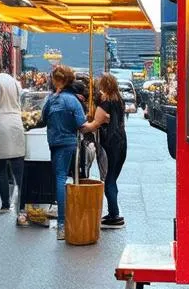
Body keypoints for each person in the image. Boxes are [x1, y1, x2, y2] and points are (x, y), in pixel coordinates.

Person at [40, 64, 85, 240]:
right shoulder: (73, 100)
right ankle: (63, 224)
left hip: (54, 142)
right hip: (69, 143)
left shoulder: (51, 100)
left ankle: (62, 222)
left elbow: (43, 118)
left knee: (59, 176)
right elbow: (81, 123)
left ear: (57, 80)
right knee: (65, 178)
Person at [81, 73, 127, 229]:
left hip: (110, 143)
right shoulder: (118, 100)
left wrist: (80, 127)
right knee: (112, 178)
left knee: (108, 180)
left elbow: (94, 124)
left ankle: (115, 215)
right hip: (121, 142)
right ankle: (113, 213)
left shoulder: (105, 102)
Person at [0, 56, 24, 216]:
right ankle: (22, 204)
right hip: (16, 123)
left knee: (0, 167)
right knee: (18, 167)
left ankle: (5, 205)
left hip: (2, 125)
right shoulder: (13, 81)